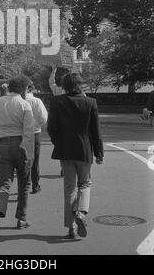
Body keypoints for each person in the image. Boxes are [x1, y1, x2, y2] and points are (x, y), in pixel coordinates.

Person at [47, 72, 104, 239]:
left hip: (65, 150)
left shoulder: (57, 102)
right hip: (84, 150)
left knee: (69, 188)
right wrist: (99, 152)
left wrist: (59, 142)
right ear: (80, 85)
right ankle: (81, 212)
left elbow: (51, 128)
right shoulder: (91, 102)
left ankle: (70, 227)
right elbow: (96, 132)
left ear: (64, 86)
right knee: (85, 183)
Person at [0, 75, 34, 241]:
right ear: (23, 89)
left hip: (2, 145)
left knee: (5, 183)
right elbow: (28, 131)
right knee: (24, 183)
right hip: (20, 144)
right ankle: (22, 218)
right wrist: (29, 152)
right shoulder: (24, 104)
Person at [25, 81, 48, 194]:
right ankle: (35, 184)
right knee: (35, 161)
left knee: (23, 161)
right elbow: (43, 119)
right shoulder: (36, 101)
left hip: (20, 134)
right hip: (34, 133)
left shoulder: (16, 101)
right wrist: (37, 124)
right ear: (31, 89)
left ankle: (24, 185)